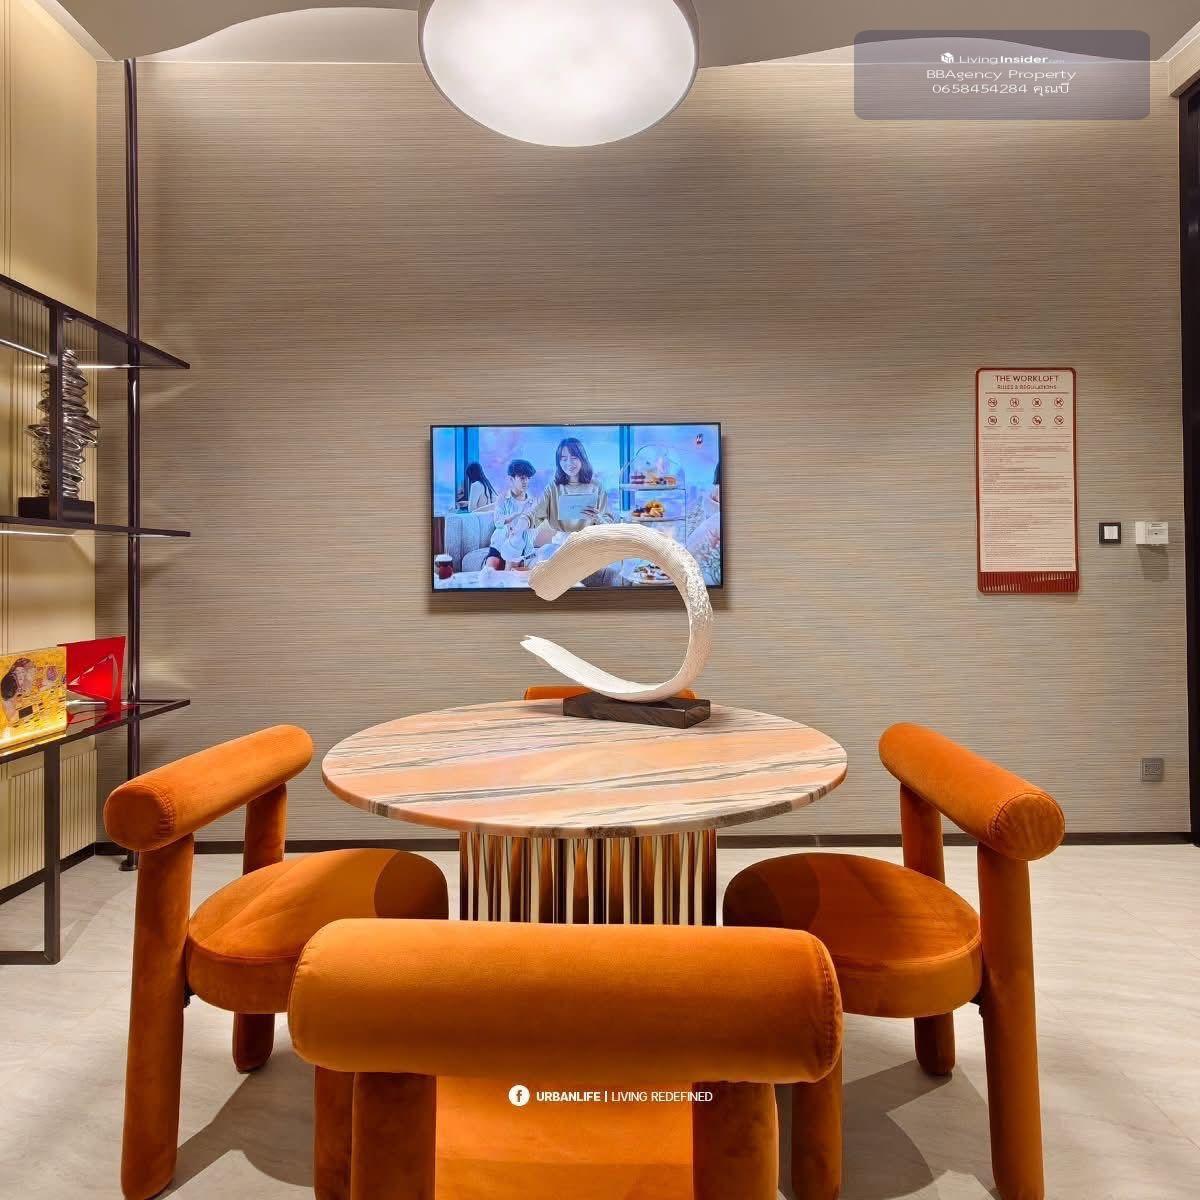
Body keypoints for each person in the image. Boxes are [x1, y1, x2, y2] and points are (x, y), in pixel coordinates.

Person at [529, 436, 614, 547]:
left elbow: (609, 526)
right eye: (564, 459)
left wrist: (597, 518)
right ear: (559, 462)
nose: (569, 463)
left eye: (574, 457)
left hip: (590, 544)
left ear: (582, 458)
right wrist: (523, 523)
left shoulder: (596, 487)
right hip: (561, 544)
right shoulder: (553, 487)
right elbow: (535, 515)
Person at [485, 459, 537, 570]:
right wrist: (513, 516)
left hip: (520, 546)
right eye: (522, 478)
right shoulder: (503, 498)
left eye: (528, 478)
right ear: (511, 479)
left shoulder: (532, 502)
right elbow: (498, 522)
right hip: (500, 543)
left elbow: (534, 526)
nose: (526, 481)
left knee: (511, 569)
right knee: (490, 568)